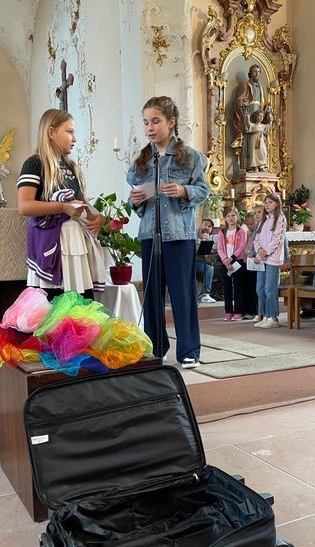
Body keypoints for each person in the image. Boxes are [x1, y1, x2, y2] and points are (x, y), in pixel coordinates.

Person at [127, 96, 208, 369]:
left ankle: (189, 351)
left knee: (183, 295)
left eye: (155, 121)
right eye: (146, 122)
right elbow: (134, 200)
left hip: (180, 237)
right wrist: (135, 200)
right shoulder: (141, 161)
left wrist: (184, 190)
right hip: (150, 235)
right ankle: (155, 348)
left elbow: (203, 191)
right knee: (152, 295)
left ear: (171, 122)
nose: (150, 127)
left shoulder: (191, 157)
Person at [17, 108, 106, 300]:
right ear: (51, 132)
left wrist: (97, 217)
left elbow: (81, 203)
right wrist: (63, 207)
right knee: (53, 302)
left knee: (80, 301)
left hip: (74, 242)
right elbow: (24, 206)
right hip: (52, 242)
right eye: (69, 131)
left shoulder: (71, 167)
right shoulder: (35, 163)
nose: (74, 138)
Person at [253, 192, 287, 328]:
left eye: (270, 202)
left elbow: (277, 239)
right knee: (260, 289)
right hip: (262, 259)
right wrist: (259, 250)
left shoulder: (280, 219)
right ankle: (265, 315)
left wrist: (265, 252)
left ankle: (272, 317)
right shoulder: (264, 220)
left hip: (273, 259)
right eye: (266, 203)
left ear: (277, 204)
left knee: (269, 289)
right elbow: (256, 238)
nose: (267, 205)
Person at [233, 64, 268, 171]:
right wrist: (243, 103)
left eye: (258, 72)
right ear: (250, 74)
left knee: (261, 145)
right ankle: (250, 165)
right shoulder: (246, 85)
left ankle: (261, 164)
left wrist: (267, 108)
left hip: (258, 113)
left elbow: (263, 102)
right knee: (249, 139)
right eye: (254, 72)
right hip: (249, 111)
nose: (257, 74)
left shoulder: (260, 87)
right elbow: (239, 99)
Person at [217, 207, 247, 320]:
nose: (231, 218)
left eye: (233, 215)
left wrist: (232, 258)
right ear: (225, 218)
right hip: (225, 263)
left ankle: (238, 311)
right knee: (227, 288)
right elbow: (220, 248)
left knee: (238, 287)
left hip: (237, 262)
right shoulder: (222, 232)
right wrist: (225, 260)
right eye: (228, 216)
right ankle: (228, 311)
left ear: (237, 217)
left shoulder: (241, 231)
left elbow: (242, 246)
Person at [243, 108, 272, 172]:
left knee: (264, 152)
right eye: (260, 116)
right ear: (256, 117)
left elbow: (269, 125)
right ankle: (255, 167)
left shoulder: (263, 126)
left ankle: (261, 166)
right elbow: (248, 123)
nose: (261, 118)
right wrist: (247, 117)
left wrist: (270, 116)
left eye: (262, 116)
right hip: (254, 139)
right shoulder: (253, 125)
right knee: (254, 153)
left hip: (261, 140)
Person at [196, 218, 216, 303]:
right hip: (189, 261)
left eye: (209, 226)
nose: (206, 227)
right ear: (200, 225)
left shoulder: (211, 238)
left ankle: (205, 294)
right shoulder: (193, 234)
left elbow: (208, 258)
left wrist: (207, 242)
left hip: (200, 262)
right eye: (205, 225)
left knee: (209, 267)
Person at [243, 212, 258, 319]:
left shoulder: (258, 233)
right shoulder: (247, 233)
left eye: (251, 224)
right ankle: (247, 310)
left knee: (253, 287)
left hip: (255, 262)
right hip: (246, 262)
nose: (249, 226)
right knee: (247, 287)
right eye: (247, 224)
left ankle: (253, 311)